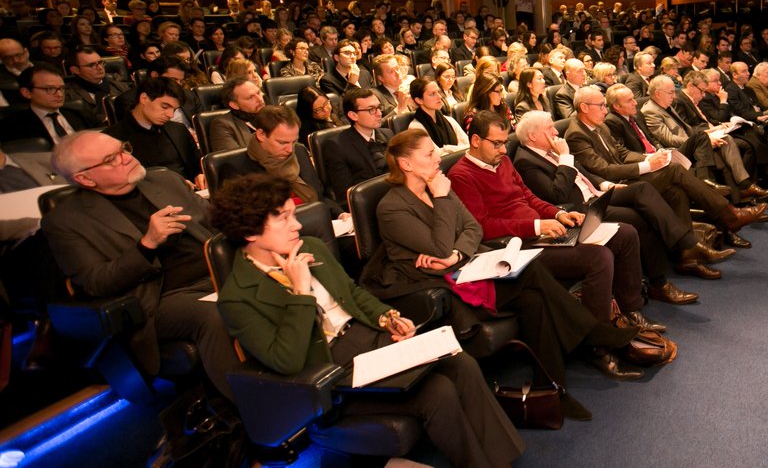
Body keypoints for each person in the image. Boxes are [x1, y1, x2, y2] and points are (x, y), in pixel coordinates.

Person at [212, 173, 524, 468]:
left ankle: (502, 460)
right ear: (250, 232)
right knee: (437, 391)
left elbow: (353, 293)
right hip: (330, 372)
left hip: (369, 340)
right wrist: (299, 293)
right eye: (283, 219)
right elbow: (287, 360)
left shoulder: (311, 247)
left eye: (294, 214)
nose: (296, 225)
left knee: (460, 362)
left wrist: (386, 316)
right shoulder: (237, 297)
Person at [358, 128, 640, 416]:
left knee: (534, 299)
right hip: (437, 284)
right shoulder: (393, 206)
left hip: (464, 266)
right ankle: (592, 333)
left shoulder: (439, 185)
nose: (437, 159)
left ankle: (552, 389)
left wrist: (455, 253)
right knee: (531, 275)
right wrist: (442, 204)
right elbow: (441, 247)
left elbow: (472, 228)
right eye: (429, 154)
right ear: (406, 164)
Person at [41, 131, 240, 398]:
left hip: (218, 271)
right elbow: (96, 282)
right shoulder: (65, 221)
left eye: (124, 147)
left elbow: (217, 223)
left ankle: (303, 384)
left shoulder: (164, 179)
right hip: (161, 299)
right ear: (85, 178)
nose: (127, 158)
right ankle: (256, 414)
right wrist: (146, 244)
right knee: (215, 313)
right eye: (112, 158)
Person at [447, 111, 657, 349]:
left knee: (625, 233)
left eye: (505, 143)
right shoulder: (460, 175)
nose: (504, 150)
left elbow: (528, 197)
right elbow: (482, 226)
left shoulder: (502, 161)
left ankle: (631, 310)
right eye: (497, 144)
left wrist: (558, 213)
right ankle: (598, 342)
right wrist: (537, 225)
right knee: (599, 257)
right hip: (516, 246)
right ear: (475, 140)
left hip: (542, 231)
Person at [565, 86, 763, 278]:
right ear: (584, 107)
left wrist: (648, 159)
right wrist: (648, 166)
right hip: (612, 186)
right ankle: (728, 215)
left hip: (626, 175)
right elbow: (604, 169)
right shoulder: (576, 134)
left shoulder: (599, 126)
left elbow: (623, 154)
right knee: (675, 170)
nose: (605, 109)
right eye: (600, 105)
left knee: (676, 191)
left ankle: (687, 258)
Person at [512, 111, 700, 305]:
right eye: (549, 128)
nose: (555, 131)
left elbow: (583, 173)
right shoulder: (526, 162)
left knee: (642, 189)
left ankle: (684, 241)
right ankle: (660, 283)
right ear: (533, 136)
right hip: (581, 209)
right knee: (639, 218)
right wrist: (565, 157)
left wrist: (605, 185)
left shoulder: (551, 149)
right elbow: (556, 195)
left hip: (597, 194)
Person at [640, 76, 768, 207]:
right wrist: (702, 140)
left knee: (726, 140)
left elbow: (687, 130)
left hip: (691, 143)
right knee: (720, 155)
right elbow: (669, 139)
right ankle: (739, 195)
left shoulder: (666, 105)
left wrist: (709, 132)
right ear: (658, 94)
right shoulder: (650, 111)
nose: (674, 96)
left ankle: (743, 189)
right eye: (670, 93)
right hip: (676, 151)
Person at [105, 77, 204, 188]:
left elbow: (197, 163)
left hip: (192, 193)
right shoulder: (111, 139)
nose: (170, 115)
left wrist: (199, 174)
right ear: (144, 98)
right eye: (165, 107)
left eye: (174, 110)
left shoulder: (178, 129)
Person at [324, 88, 393, 205]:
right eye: (371, 109)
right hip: (369, 204)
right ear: (353, 115)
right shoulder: (337, 146)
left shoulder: (388, 134)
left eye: (379, 107)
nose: (379, 113)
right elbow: (345, 195)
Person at [2, 64, 97, 144]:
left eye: (61, 88)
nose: (59, 94)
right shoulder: (12, 126)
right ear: (27, 92)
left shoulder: (80, 113)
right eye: (50, 89)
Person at [65, 45, 130, 126]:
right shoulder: (68, 95)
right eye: (91, 65)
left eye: (100, 62)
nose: (100, 67)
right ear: (75, 70)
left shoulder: (122, 87)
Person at [410, 77, 470, 153]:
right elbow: (435, 153)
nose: (440, 97)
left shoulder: (449, 120)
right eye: (432, 94)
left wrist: (447, 149)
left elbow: (468, 144)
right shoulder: (416, 128)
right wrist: (452, 149)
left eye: (438, 92)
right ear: (419, 100)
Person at [208, 76, 264, 152]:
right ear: (234, 105)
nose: (260, 99)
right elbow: (235, 160)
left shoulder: (273, 114)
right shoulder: (222, 125)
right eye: (250, 97)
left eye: (258, 93)